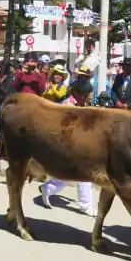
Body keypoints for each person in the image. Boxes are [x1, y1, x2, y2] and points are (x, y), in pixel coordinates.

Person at [40, 78, 96, 216]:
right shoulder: (66, 106)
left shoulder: (84, 105)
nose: (86, 98)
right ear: (76, 93)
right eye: (84, 95)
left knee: (73, 174)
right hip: (68, 145)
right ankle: (85, 204)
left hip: (81, 145)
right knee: (82, 174)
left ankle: (48, 188)